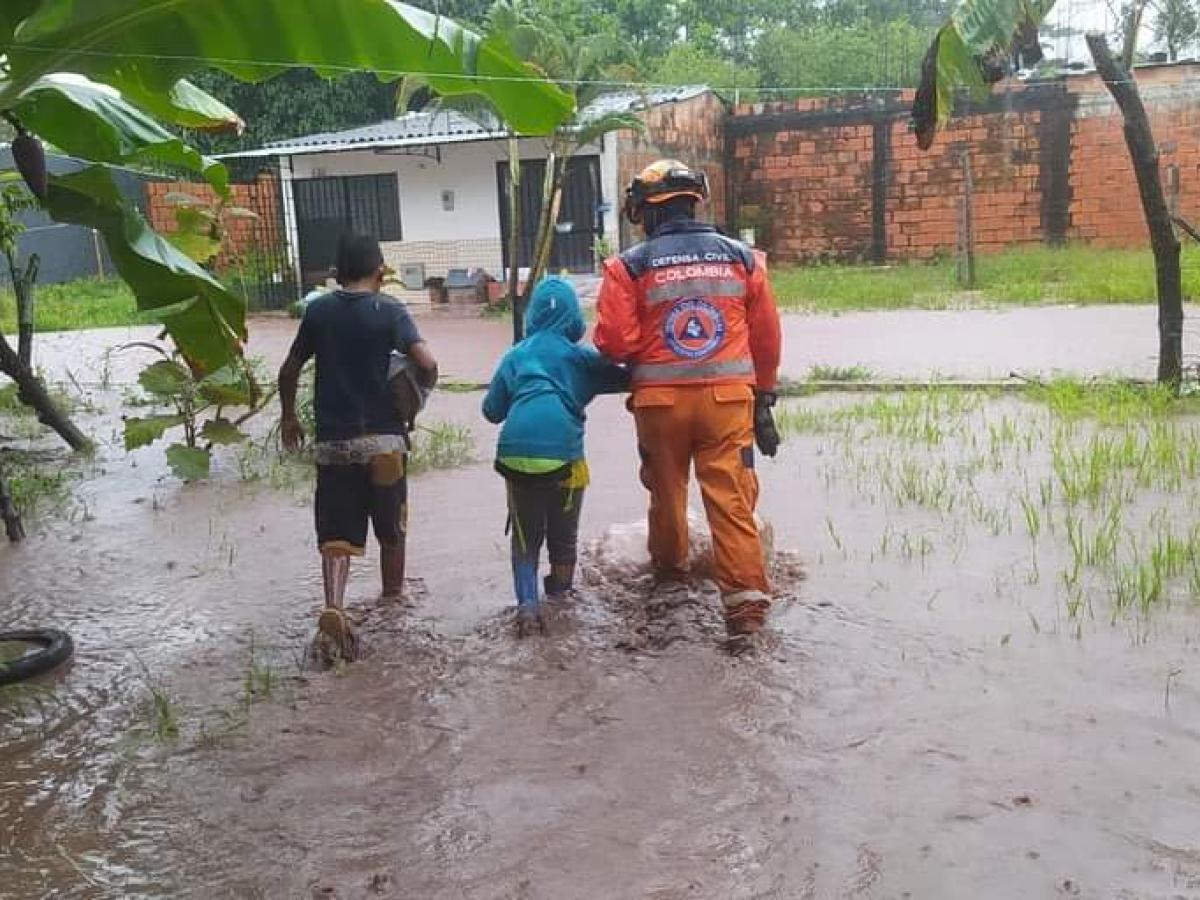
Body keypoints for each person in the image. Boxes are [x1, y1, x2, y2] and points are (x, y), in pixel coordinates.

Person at [594, 159, 783, 642]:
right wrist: (764, 398)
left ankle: (671, 579)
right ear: (695, 203)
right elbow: (766, 338)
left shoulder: (627, 267)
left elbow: (615, 342)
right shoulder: (744, 260)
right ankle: (746, 608)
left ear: (645, 212)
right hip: (728, 404)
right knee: (731, 499)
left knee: (666, 493)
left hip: (659, 407)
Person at [278, 234, 438, 661]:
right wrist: (413, 403)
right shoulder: (391, 311)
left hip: (334, 445)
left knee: (336, 536)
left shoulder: (318, 311)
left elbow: (289, 370)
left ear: (337, 274)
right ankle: (393, 602)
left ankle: (334, 606)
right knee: (392, 531)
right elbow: (427, 363)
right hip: (385, 444)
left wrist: (289, 417)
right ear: (380, 272)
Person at [482, 276, 629, 636]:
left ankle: (528, 609)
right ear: (574, 318)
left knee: (524, 541)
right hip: (565, 458)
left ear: (532, 315)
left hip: (515, 455)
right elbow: (631, 378)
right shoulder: (582, 359)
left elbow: (491, 411)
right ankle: (561, 602)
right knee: (564, 540)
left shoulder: (516, 355)